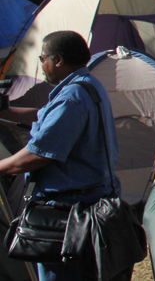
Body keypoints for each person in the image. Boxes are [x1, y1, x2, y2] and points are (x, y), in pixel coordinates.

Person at [0, 31, 121, 281]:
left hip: (69, 214)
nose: (41, 65)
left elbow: (37, 156)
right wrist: (6, 111)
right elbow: (42, 117)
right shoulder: (87, 85)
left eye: (42, 58)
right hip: (89, 200)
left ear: (58, 60)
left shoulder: (71, 98)